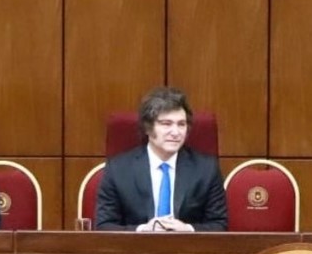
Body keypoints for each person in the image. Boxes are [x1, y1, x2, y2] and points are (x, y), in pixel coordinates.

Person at [95, 87, 227, 232]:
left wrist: (188, 229)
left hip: (188, 250)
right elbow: (104, 226)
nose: (176, 132)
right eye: (166, 124)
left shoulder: (206, 169)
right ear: (147, 128)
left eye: (181, 124)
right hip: (136, 251)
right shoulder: (118, 169)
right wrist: (142, 230)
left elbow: (219, 224)